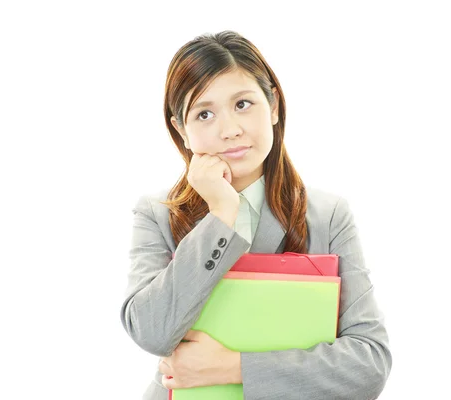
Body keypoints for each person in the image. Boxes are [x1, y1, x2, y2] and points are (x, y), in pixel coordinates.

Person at [120, 30, 392, 400]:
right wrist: (221, 215)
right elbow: (151, 332)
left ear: (274, 106)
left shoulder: (328, 216)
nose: (230, 130)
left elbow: (369, 363)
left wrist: (234, 367)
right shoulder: (157, 214)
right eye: (204, 113)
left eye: (243, 104)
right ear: (181, 131)